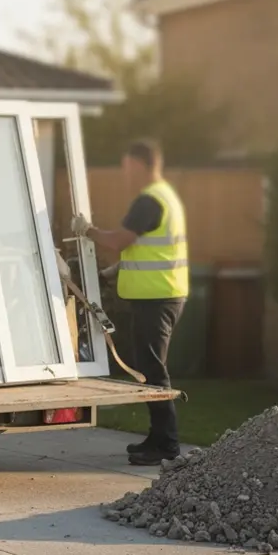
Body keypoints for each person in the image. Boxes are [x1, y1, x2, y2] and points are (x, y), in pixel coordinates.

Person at [71, 140, 188, 465]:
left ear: (139, 165)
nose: (125, 175)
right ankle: (158, 437)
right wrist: (114, 272)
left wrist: (88, 230)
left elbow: (119, 240)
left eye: (127, 168)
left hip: (157, 297)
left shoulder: (149, 201)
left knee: (154, 370)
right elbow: (147, 249)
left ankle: (166, 445)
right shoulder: (165, 196)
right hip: (161, 294)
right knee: (150, 369)